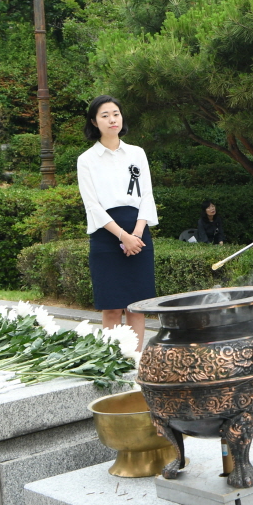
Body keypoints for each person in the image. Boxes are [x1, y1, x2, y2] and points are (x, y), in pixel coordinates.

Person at [77, 95, 158, 348]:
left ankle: (135, 360)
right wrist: (123, 236)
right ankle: (113, 360)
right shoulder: (86, 159)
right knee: (111, 307)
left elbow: (147, 195)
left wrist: (137, 234)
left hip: (138, 233)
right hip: (106, 236)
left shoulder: (137, 153)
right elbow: (92, 205)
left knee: (137, 307)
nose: (112, 119)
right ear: (94, 122)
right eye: (105, 115)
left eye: (116, 114)